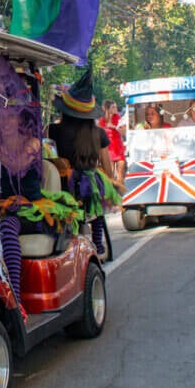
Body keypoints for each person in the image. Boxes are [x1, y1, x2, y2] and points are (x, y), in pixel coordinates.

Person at [47, 68, 123, 259]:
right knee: (96, 193)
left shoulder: (54, 130)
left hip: (65, 186)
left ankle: (72, 238)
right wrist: (108, 182)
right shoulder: (99, 133)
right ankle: (98, 241)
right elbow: (107, 166)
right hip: (90, 185)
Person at [98, 100, 126, 185]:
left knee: (121, 170)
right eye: (113, 107)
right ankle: (113, 191)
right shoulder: (102, 120)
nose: (116, 108)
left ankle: (121, 191)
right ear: (108, 109)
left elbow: (124, 132)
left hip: (118, 147)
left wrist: (114, 127)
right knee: (110, 173)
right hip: (108, 149)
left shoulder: (118, 117)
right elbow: (99, 135)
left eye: (116, 107)